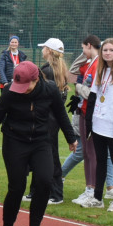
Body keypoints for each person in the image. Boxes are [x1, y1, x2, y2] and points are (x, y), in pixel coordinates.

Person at [0, 61, 78, 226]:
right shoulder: (10, 91)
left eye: (27, 86)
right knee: (17, 187)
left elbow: (61, 114)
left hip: (41, 141)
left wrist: (71, 138)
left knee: (44, 181)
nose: (23, 90)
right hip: (15, 141)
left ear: (36, 80)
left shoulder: (50, 89)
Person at [63, 35, 113, 203]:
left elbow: (92, 93)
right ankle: (89, 189)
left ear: (88, 45)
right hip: (84, 111)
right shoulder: (90, 63)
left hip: (91, 113)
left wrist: (78, 88)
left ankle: (92, 190)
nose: (82, 52)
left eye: (83, 48)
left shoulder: (96, 65)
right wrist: (87, 53)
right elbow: (73, 69)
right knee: (87, 153)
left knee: (91, 153)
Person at [83, 38, 113, 211]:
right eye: (105, 50)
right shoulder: (101, 71)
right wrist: (89, 123)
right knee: (101, 160)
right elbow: (93, 97)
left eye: (111, 50)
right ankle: (97, 198)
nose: (108, 53)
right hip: (98, 124)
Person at [35, 37, 69, 204]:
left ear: (49, 50)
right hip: (53, 118)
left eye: (44, 48)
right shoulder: (59, 69)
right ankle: (37, 191)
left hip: (46, 119)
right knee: (44, 154)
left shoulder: (47, 71)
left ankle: (56, 194)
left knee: (50, 156)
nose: (42, 50)